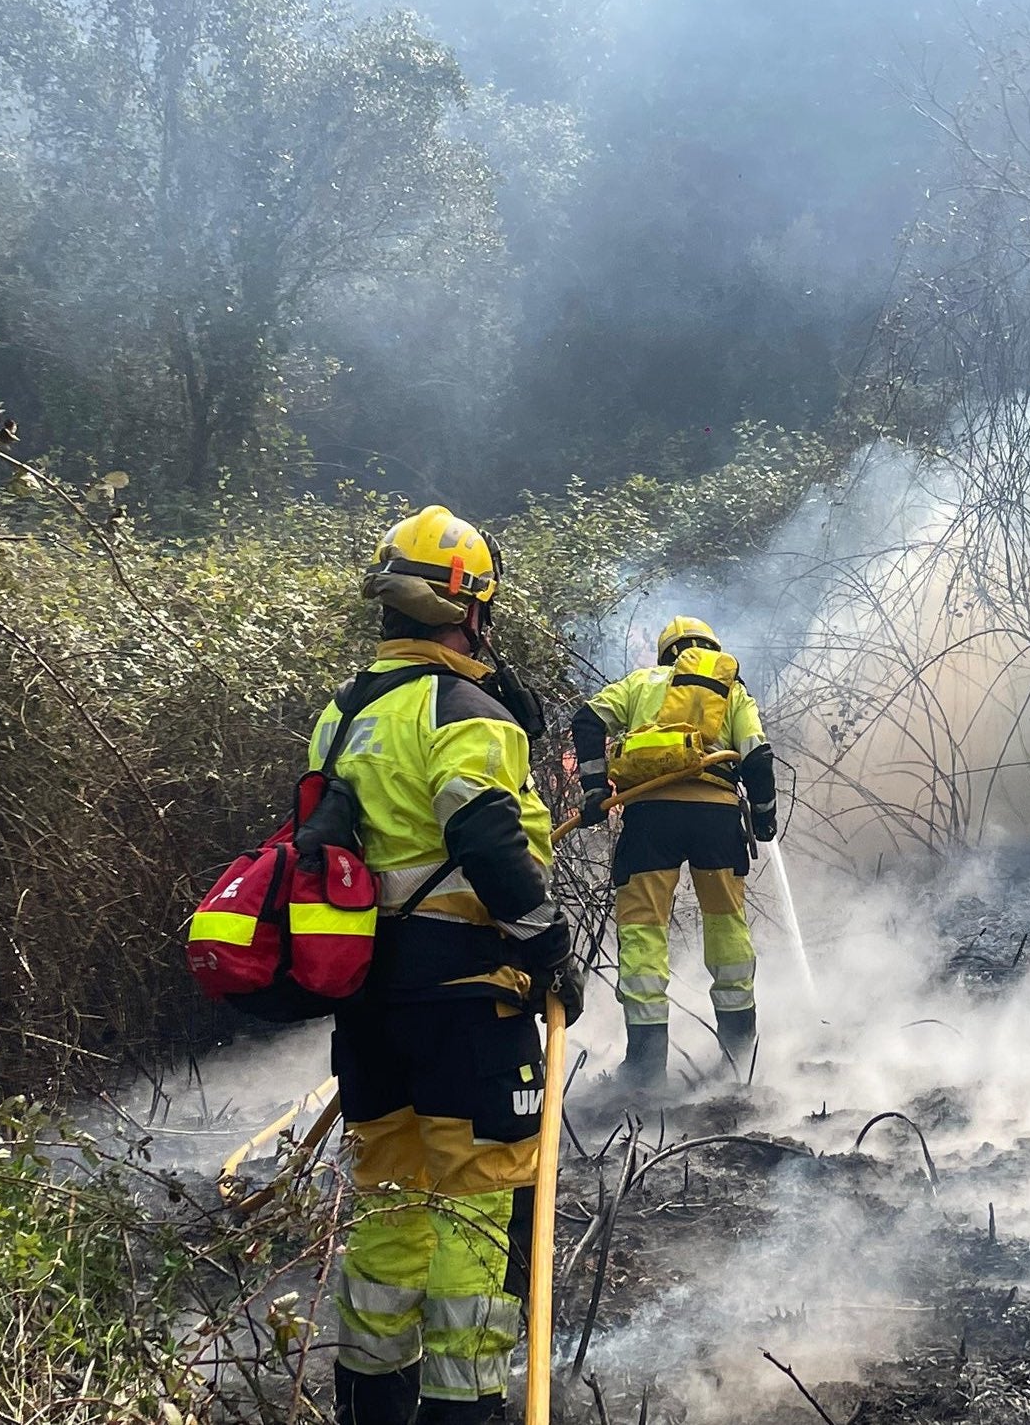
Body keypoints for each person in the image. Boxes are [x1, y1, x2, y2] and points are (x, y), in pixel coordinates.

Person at [316, 505, 581, 1425]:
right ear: (468, 609)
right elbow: (486, 839)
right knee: (479, 1210)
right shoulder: (466, 712)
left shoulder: (343, 714)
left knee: (389, 1203)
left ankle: (370, 1408)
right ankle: (466, 1410)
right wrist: (551, 946)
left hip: (367, 1000)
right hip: (468, 1000)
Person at [569, 615, 778, 1080]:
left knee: (643, 932)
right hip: (718, 820)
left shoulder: (641, 683)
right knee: (726, 927)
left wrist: (593, 788)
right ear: (710, 649)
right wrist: (764, 817)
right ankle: (739, 1057)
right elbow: (758, 756)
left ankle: (645, 1069)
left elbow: (586, 719)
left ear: (666, 652)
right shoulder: (731, 690)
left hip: (650, 818)